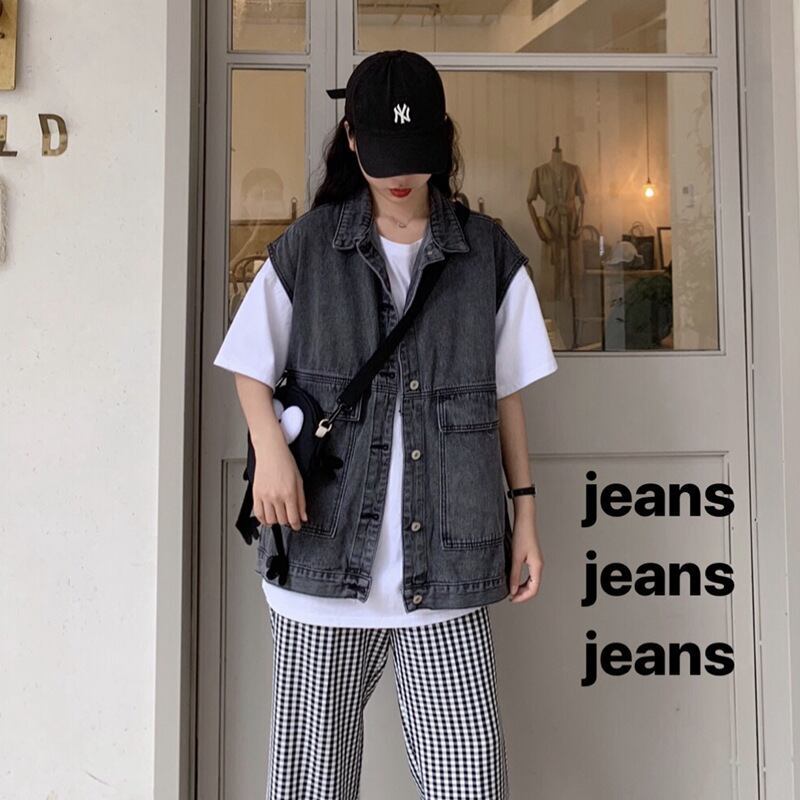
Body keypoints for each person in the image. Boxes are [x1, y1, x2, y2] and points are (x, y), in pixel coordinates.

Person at [213, 49, 557, 800]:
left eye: (416, 154)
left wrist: (525, 514)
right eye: (384, 155)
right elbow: (248, 363)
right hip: (321, 557)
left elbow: (505, 395)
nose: (400, 177)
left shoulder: (487, 253)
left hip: (449, 565)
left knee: (470, 782)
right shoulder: (311, 246)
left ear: (443, 138)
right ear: (352, 139)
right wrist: (270, 450)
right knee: (311, 785)